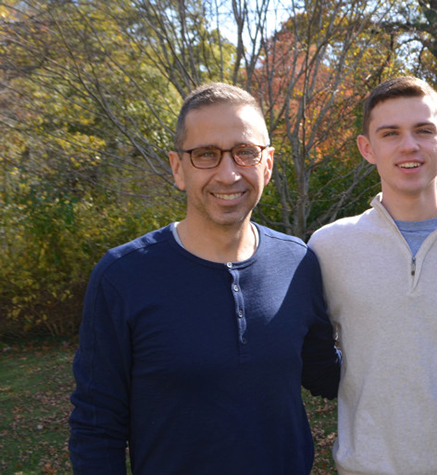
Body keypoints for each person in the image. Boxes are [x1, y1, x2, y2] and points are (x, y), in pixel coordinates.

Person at [68, 82, 341, 475]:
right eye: (206, 155)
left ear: (267, 163)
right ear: (178, 168)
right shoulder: (122, 276)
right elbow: (97, 425)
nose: (228, 174)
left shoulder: (298, 261)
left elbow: (323, 372)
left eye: (245, 152)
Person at [308, 76, 437, 475]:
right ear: (367, 148)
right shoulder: (328, 246)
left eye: (423, 131)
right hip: (364, 468)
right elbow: (309, 353)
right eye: (390, 133)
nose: (409, 146)